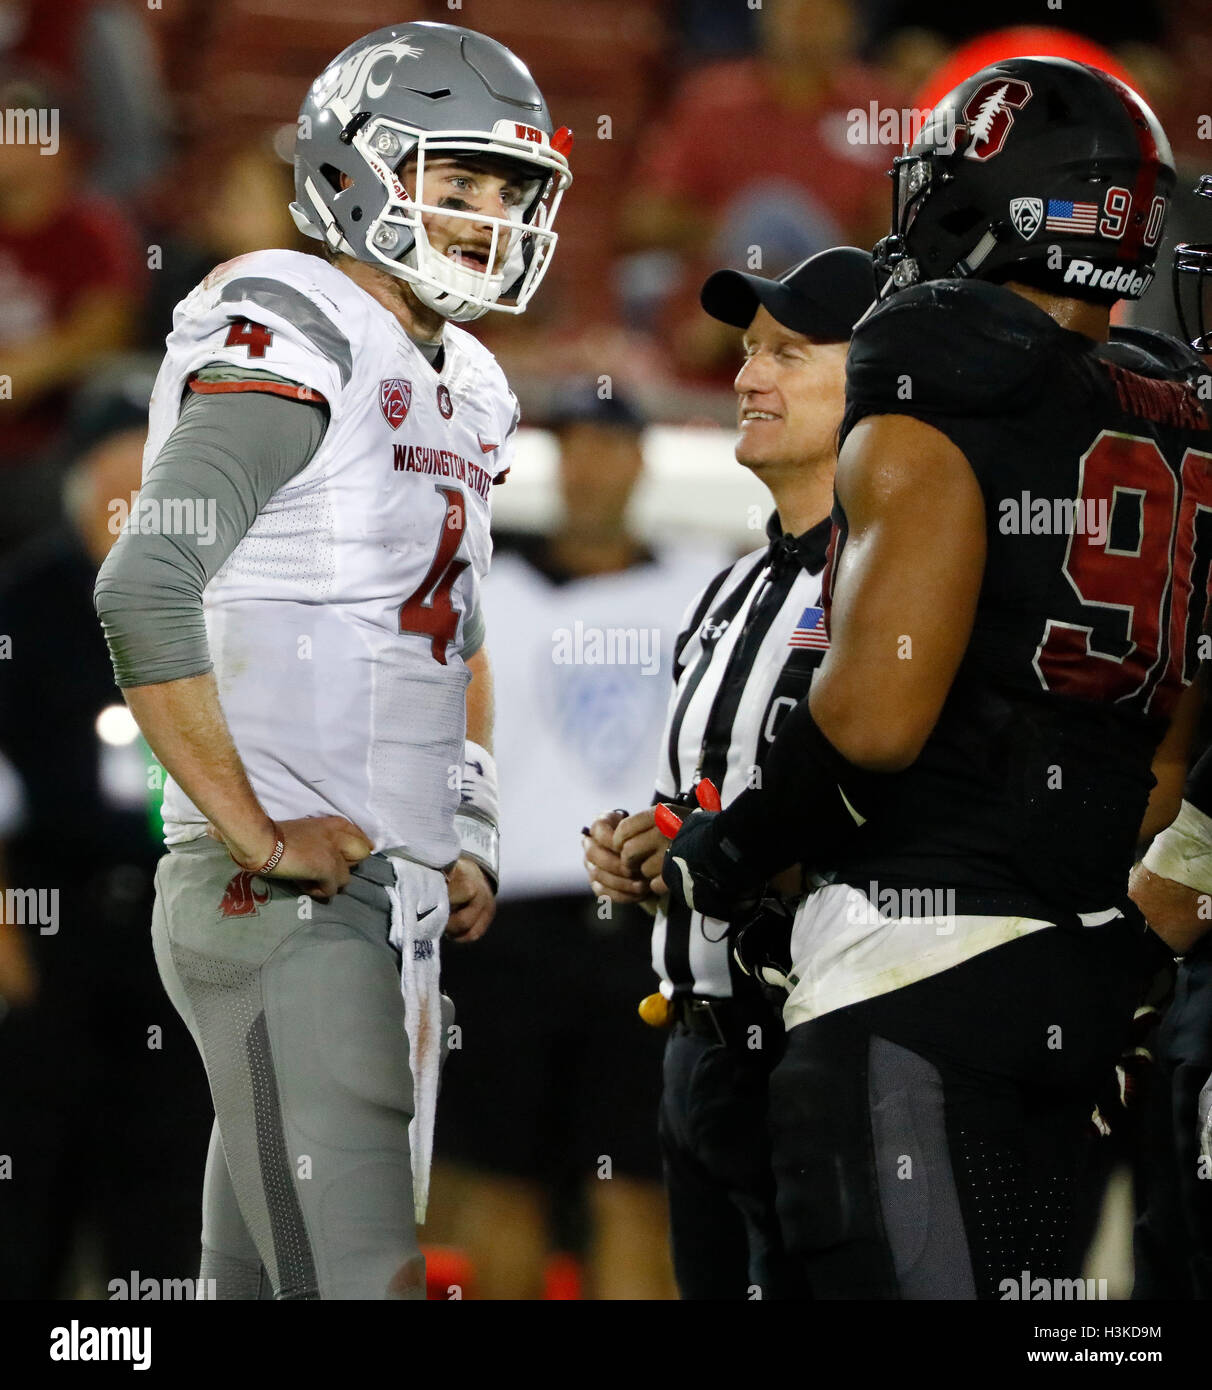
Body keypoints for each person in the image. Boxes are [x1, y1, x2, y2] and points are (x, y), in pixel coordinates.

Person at [657, 56, 1212, 1298]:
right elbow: (1175, 735)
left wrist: (738, 847)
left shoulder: (941, 358)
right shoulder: (1173, 403)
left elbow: (875, 716)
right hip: (1080, 969)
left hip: (911, 969)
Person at [93, 21, 572, 1301]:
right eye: (456, 181)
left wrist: (460, 806)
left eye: (511, 192)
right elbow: (145, 583)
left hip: (383, 898)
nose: (486, 218)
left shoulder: (463, 377)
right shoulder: (290, 315)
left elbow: (449, 622)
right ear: (355, 170)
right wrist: (251, 832)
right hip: (287, 901)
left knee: (252, 1289)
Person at [585, 246, 876, 1298]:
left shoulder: (897, 583)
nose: (748, 377)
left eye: (789, 354)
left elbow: (897, 816)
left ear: (879, 378)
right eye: (749, 351)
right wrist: (646, 841)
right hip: (693, 1042)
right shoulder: (729, 588)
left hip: (811, 1048)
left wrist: (714, 854)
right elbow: (709, 798)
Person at [433, 382, 725, 1300]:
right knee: (499, 1184)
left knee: (640, 1188)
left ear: (643, 461)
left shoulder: (704, 588)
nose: (595, 466)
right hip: (508, 914)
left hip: (647, 922)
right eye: (579, 446)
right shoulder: (483, 593)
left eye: (613, 447)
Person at [0, 363, 213, 1298]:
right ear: (86, 486)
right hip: (54, 929)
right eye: (125, 479)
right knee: (28, 1189)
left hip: (183, 933)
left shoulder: (219, 607)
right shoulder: (24, 607)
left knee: (165, 1203)